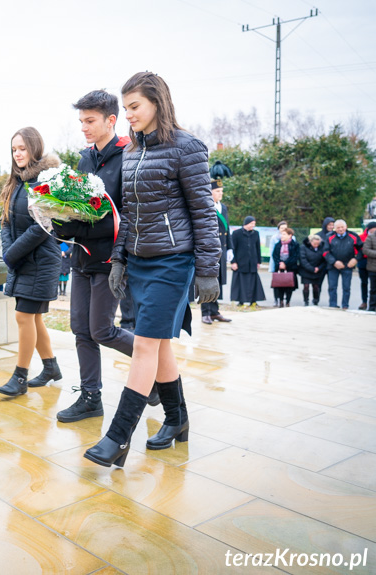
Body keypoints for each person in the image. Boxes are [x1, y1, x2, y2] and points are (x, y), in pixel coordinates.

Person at [84, 72, 221, 467]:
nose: (128, 116)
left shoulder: (187, 147)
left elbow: (203, 212)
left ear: (157, 103)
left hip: (174, 262)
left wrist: (208, 269)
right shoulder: (131, 152)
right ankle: (177, 420)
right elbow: (128, 213)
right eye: (125, 109)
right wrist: (120, 260)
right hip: (140, 262)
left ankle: (118, 438)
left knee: (144, 345)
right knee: (158, 346)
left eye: (134, 107)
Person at [51, 89, 146, 422]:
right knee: (80, 329)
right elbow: (80, 208)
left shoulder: (130, 156)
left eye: (90, 121)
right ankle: (91, 398)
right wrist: (60, 221)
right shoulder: (85, 159)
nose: (84, 128)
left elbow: (126, 216)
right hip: (82, 259)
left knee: (102, 330)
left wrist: (85, 223)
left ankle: (158, 373)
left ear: (111, 120)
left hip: (111, 260)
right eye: (81, 121)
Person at [0, 127, 62, 397]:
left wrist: (12, 254)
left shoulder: (46, 182)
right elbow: (5, 222)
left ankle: (20, 377)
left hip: (41, 262)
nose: (18, 154)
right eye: (14, 149)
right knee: (33, 318)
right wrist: (8, 250)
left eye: (22, 148)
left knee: (24, 316)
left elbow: (43, 226)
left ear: (34, 148)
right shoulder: (16, 182)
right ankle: (51, 368)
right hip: (22, 260)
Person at [201, 180, 232, 324]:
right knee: (208, 280)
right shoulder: (205, 206)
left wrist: (230, 248)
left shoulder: (223, 208)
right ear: (210, 192)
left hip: (221, 249)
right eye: (218, 191)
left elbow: (227, 230)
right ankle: (205, 312)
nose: (221, 193)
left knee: (217, 282)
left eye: (221, 191)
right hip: (209, 250)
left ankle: (214, 312)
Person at [324, 219, 361, 309]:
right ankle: (333, 305)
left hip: (348, 265)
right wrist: (334, 262)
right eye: (338, 227)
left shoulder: (354, 236)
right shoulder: (329, 236)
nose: (340, 229)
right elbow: (325, 252)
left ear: (346, 227)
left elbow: (362, 250)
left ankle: (345, 305)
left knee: (346, 287)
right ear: (335, 228)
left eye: (342, 227)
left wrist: (355, 260)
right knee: (332, 287)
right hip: (333, 266)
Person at [230, 216, 266, 307]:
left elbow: (258, 248)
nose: (253, 226)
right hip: (240, 262)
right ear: (246, 223)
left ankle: (253, 301)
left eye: (254, 224)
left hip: (252, 262)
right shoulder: (236, 233)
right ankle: (240, 301)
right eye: (251, 224)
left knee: (253, 283)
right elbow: (232, 249)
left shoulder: (256, 233)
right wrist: (233, 262)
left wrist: (259, 261)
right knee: (240, 282)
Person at [271, 227, 299, 307]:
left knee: (289, 286)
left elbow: (295, 256)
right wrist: (280, 263)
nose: (282, 236)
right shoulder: (278, 244)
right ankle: (280, 301)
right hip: (279, 268)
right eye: (281, 234)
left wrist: (286, 264)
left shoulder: (295, 245)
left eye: (284, 234)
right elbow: (274, 255)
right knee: (279, 285)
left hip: (290, 268)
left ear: (290, 235)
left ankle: (288, 301)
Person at [298, 234, 325, 306]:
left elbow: (324, 260)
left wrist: (319, 268)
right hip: (306, 270)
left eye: (318, 244)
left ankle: (316, 300)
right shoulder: (303, 247)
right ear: (310, 242)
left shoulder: (322, 247)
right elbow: (303, 260)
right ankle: (306, 301)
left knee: (316, 286)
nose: (316, 245)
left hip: (317, 270)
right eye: (314, 243)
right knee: (306, 286)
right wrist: (312, 269)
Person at [357, 222, 374, 309]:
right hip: (363, 261)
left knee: (373, 285)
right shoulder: (361, 237)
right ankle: (364, 301)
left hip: (373, 262)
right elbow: (357, 249)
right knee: (364, 283)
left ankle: (372, 303)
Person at [362, 223, 376, 311]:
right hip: (373, 268)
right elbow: (365, 250)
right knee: (373, 289)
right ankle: (372, 307)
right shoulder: (370, 237)